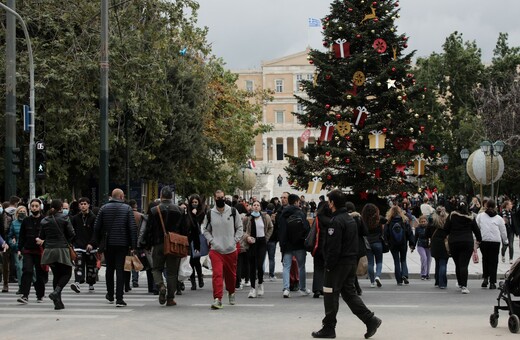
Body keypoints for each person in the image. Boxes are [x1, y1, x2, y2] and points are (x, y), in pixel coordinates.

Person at [311, 190, 381, 339]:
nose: (328, 204)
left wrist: (329, 264)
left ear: (332, 203)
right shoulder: (350, 219)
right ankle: (370, 320)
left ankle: (329, 327)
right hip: (350, 262)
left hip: (338, 264)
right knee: (349, 294)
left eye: (329, 201)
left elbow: (333, 247)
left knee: (330, 294)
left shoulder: (336, 222)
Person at [88, 188, 137, 307]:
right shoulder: (127, 209)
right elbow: (132, 228)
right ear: (121, 197)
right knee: (120, 270)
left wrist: (98, 243)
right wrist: (133, 245)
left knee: (109, 269)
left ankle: (110, 294)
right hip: (122, 243)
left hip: (108, 243)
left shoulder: (103, 208)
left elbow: (97, 227)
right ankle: (119, 298)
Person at [143, 186, 189, 306]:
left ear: (161, 196)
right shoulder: (179, 210)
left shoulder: (154, 210)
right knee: (172, 272)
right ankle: (170, 298)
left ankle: (160, 285)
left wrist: (147, 244)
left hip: (158, 243)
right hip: (174, 244)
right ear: (171, 197)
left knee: (156, 268)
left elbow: (149, 229)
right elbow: (185, 229)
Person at [203, 190, 243, 310]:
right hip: (216, 250)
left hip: (230, 250)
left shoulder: (232, 211)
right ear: (214, 198)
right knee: (217, 274)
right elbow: (205, 230)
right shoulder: (210, 213)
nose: (220, 199)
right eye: (218, 198)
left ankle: (231, 292)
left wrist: (234, 241)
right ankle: (217, 299)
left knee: (231, 276)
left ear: (225, 198)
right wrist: (212, 241)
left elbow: (239, 227)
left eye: (222, 197)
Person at [37, 199, 76, 310]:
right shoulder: (64, 218)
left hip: (49, 250)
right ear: (60, 208)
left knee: (56, 275)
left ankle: (57, 302)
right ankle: (56, 291)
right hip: (62, 249)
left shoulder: (44, 220)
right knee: (67, 273)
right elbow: (72, 233)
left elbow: (42, 236)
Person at [444, 201, 482, 294]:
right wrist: (479, 240)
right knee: (464, 265)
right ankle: (464, 286)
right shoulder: (471, 217)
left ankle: (460, 283)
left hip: (454, 242)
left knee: (457, 263)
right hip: (467, 242)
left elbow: (446, 229)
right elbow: (476, 230)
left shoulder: (452, 215)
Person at [278, 194, 311, 298]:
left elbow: (281, 230)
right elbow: (306, 228)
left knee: (286, 267)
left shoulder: (283, 214)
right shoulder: (301, 213)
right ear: (297, 202)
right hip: (299, 244)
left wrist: (282, 244)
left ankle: (286, 289)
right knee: (301, 267)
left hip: (287, 245)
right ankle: (303, 288)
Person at [17, 198, 46, 303]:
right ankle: (25, 295)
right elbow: (21, 236)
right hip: (28, 251)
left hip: (40, 252)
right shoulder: (26, 220)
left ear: (40, 207)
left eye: (36, 206)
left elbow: (48, 235)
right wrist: (19, 249)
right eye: (32, 206)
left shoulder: (44, 220)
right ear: (30, 207)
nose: (34, 208)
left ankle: (40, 295)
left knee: (39, 274)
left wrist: (43, 241)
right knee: (27, 271)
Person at [242, 200, 273, 298]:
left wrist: (266, 238)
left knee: (260, 264)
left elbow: (270, 228)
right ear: (251, 207)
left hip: (262, 243)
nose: (256, 206)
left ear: (260, 207)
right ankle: (252, 288)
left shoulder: (265, 217)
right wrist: (247, 237)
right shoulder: (247, 218)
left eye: (257, 205)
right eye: (254, 205)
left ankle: (260, 283)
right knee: (252, 266)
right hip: (251, 243)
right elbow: (242, 231)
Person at [476, 199, 507, 290]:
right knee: (494, 261)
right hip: (495, 241)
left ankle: (485, 279)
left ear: (486, 206)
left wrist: (476, 239)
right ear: (495, 207)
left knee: (485, 259)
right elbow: (503, 231)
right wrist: (505, 241)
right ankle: (492, 282)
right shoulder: (499, 218)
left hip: (484, 240)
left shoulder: (480, 216)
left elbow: (477, 227)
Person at [69, 197, 97, 293]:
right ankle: (77, 282)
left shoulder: (94, 218)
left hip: (90, 247)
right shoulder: (75, 218)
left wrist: (92, 243)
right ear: (79, 206)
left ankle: (91, 283)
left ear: (88, 205)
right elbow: (71, 231)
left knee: (91, 266)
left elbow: (96, 232)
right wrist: (72, 242)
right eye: (81, 204)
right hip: (79, 246)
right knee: (79, 265)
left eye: (85, 204)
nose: (83, 206)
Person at [384, 205, 415, 285]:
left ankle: (399, 280)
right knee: (403, 260)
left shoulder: (388, 221)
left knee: (396, 261)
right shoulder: (404, 220)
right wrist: (412, 244)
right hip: (403, 243)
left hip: (393, 244)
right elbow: (410, 233)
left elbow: (385, 233)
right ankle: (404, 274)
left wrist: (386, 242)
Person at [312, 202, 332, 298]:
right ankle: (325, 288)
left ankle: (317, 289)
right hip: (328, 247)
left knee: (317, 268)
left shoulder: (318, 218)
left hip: (318, 246)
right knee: (327, 269)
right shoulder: (332, 219)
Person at [186, 194, 206, 290]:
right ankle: (193, 282)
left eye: (196, 202)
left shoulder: (201, 213)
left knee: (196, 260)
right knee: (190, 261)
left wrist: (195, 215)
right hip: (190, 239)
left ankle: (200, 278)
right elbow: (189, 225)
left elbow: (197, 224)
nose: (194, 204)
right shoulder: (188, 212)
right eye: (193, 202)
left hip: (197, 239)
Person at [361, 203, 383, 288]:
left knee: (370, 263)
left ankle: (372, 281)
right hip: (377, 242)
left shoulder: (363, 220)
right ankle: (378, 276)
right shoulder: (378, 219)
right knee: (379, 261)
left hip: (368, 243)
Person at [427, 207, 449, 289]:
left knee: (437, 262)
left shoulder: (432, 221)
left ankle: (437, 281)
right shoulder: (447, 221)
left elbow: (427, 233)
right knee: (443, 263)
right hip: (445, 242)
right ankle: (442, 283)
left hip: (435, 243)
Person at [2, 196, 20, 292]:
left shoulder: (4, 213)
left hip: (6, 239)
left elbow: (4, 228)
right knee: (18, 261)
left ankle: (6, 283)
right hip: (14, 239)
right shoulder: (19, 212)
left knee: (6, 262)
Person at [8, 205, 27, 294]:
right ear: (17, 213)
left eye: (23, 211)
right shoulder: (14, 223)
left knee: (31, 269)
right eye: (20, 211)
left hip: (28, 248)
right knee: (19, 267)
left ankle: (35, 284)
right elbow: (10, 236)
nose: (22, 213)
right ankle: (21, 286)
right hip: (17, 248)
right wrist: (12, 244)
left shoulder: (28, 222)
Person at [414, 215, 432, 280]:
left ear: (427, 221)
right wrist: (413, 246)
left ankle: (427, 274)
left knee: (429, 260)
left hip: (428, 245)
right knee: (424, 258)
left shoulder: (429, 228)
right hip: (420, 245)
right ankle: (423, 274)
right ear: (420, 222)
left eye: (424, 221)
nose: (423, 223)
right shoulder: (417, 228)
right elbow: (415, 237)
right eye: (422, 221)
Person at [265, 203, 278, 281]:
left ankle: (260, 274)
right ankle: (271, 275)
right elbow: (276, 229)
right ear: (273, 209)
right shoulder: (274, 217)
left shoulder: (263, 217)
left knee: (262, 258)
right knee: (271, 258)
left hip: (264, 239)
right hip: (272, 240)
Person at [500, 200, 516, 264]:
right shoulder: (501, 213)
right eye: (510, 204)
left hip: (511, 231)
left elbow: (514, 223)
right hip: (504, 231)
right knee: (505, 246)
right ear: (507, 205)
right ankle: (503, 255)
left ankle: (511, 258)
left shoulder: (512, 213)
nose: (511, 205)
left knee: (511, 245)